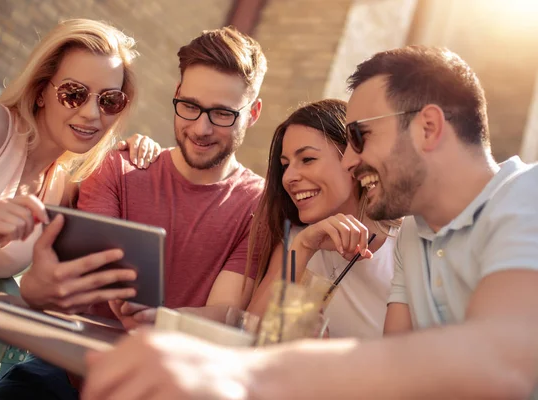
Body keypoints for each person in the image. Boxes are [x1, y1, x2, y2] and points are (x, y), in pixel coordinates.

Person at [81, 46, 538, 400]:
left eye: (360, 136)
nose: (352, 157)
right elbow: (384, 361)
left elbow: (505, 363)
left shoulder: (527, 196)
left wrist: (244, 373)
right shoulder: (417, 236)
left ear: (428, 127)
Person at [0, 26, 268, 400]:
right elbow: (73, 284)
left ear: (253, 113)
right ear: (177, 94)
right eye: (190, 106)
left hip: (164, 387)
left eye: (222, 114)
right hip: (66, 374)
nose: (201, 128)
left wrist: (160, 319)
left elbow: (221, 314)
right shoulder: (119, 168)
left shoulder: (258, 205)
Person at [0, 18, 159, 399]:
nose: (92, 114)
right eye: (74, 94)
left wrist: (136, 152)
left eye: (109, 100)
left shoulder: (59, 190)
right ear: (41, 91)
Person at [246, 99, 399, 339]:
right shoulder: (296, 240)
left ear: (352, 160)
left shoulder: (404, 245)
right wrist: (304, 248)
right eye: (285, 165)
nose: (289, 178)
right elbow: (249, 332)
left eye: (307, 159)